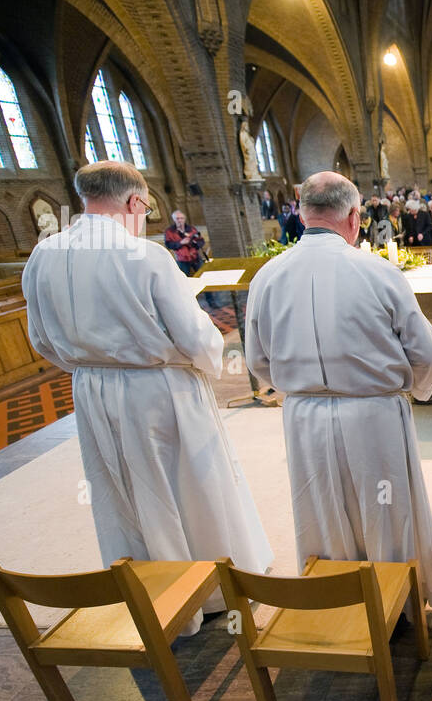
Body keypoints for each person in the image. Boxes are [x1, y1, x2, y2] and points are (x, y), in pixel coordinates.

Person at [22, 160, 272, 634]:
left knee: (121, 490)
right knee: (189, 484)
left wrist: (88, 368)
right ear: (135, 202)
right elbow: (197, 337)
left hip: (91, 389)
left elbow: (40, 338)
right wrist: (205, 363)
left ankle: (149, 591)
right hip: (158, 389)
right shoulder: (146, 256)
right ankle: (210, 590)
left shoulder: (44, 255)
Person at [245, 171, 432, 606]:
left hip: (303, 418)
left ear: (301, 213)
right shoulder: (378, 272)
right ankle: (398, 606)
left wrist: (296, 391)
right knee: (387, 512)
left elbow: (256, 360)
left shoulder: (267, 276)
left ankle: (338, 603)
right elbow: (428, 353)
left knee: (322, 511)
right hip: (374, 415)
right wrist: (412, 389)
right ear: (354, 216)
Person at [163, 210, 206, 276]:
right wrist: (181, 243)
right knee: (184, 277)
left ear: (184, 219)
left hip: (195, 257)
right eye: (177, 218)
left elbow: (201, 241)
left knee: (203, 274)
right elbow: (168, 245)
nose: (180, 220)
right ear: (174, 219)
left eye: (181, 218)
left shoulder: (191, 229)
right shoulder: (169, 231)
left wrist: (195, 245)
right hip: (182, 259)